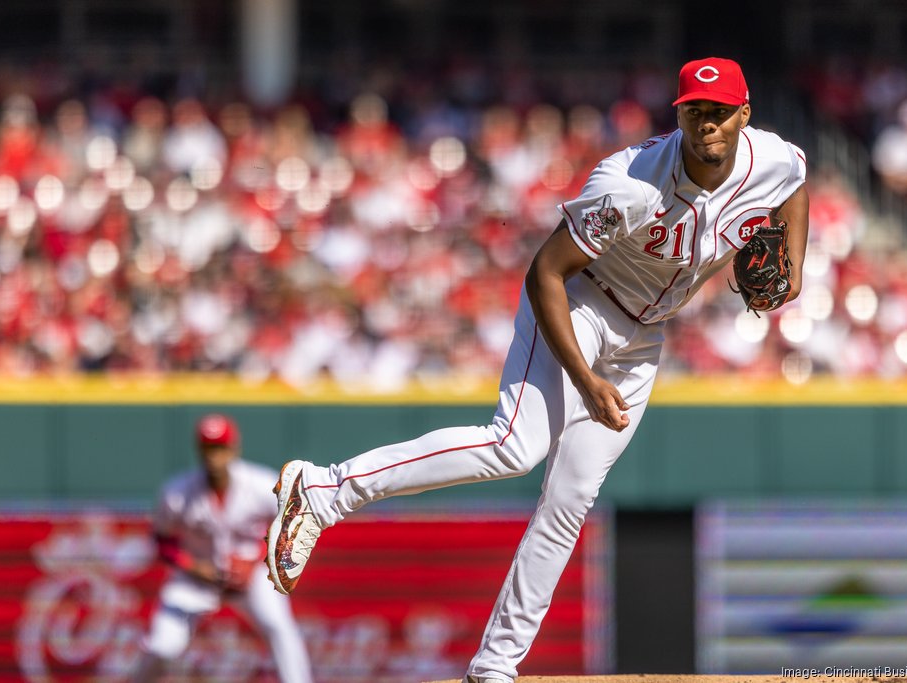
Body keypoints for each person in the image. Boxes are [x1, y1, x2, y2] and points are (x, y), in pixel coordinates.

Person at [265, 56, 809, 683]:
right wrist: (585, 379)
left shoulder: (773, 158)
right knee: (514, 445)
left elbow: (795, 180)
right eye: (695, 111)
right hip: (579, 302)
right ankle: (328, 488)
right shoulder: (629, 184)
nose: (706, 124)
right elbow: (545, 273)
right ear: (678, 114)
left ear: (743, 114)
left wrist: (791, 267)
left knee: (570, 501)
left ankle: (494, 666)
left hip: (643, 336)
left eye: (718, 112)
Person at [133, 414, 314, 683]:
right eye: (208, 448)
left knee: (279, 627)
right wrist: (193, 567)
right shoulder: (177, 492)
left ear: (233, 448)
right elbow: (162, 540)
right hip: (196, 578)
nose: (213, 456)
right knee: (163, 646)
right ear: (199, 450)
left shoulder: (261, 484)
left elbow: (295, 518)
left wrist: (260, 557)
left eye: (219, 447)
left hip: (251, 576)